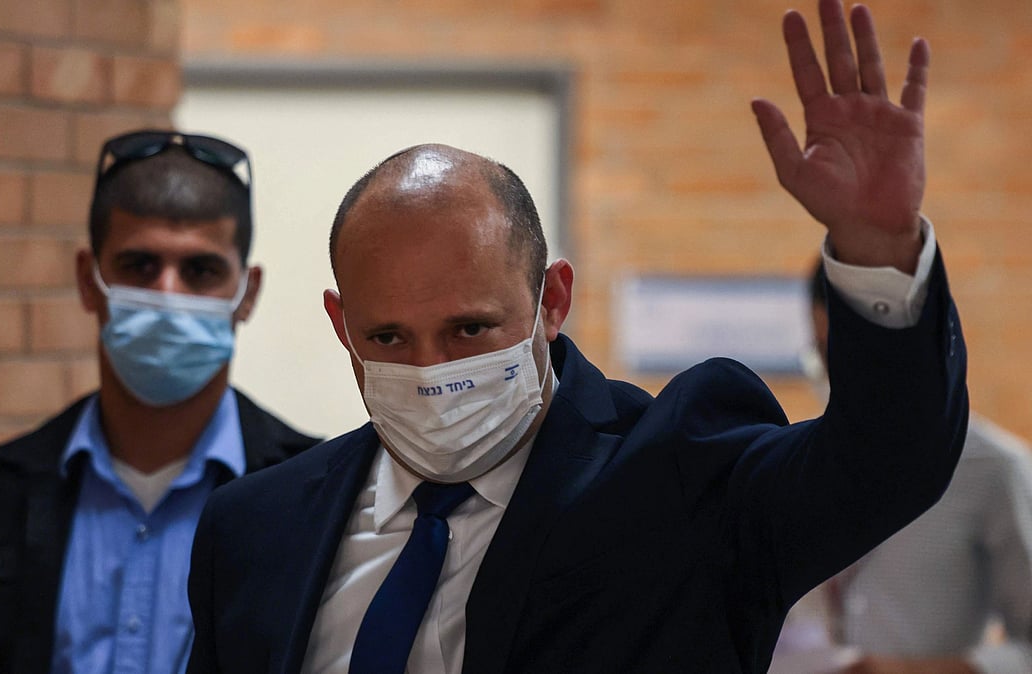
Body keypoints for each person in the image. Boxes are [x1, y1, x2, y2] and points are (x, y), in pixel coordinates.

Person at [187, 1, 969, 672]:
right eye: (388, 338)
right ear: (341, 326)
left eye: (469, 328)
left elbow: (884, 464)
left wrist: (878, 251)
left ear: (551, 300)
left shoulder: (683, 483)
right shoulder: (253, 528)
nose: (430, 371)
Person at [0, 130, 321, 673]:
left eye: (200, 271)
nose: (166, 294)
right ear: (88, 282)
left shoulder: (314, 501)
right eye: (139, 266)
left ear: (246, 292)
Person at [768, 262, 1032, 674]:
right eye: (824, 353)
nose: (843, 376)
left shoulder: (992, 468)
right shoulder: (800, 458)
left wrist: (918, 672)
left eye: (857, 355)